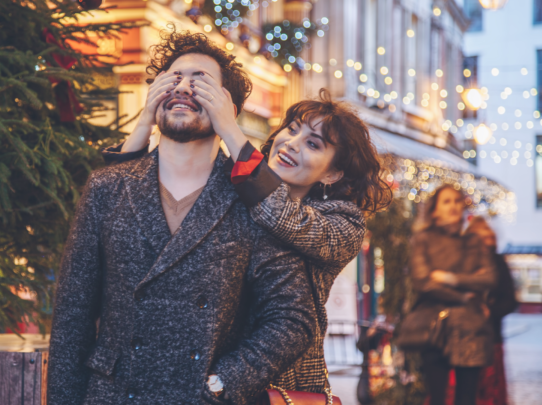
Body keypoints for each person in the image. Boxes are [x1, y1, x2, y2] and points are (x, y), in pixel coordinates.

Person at [47, 29, 317, 405]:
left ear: (229, 109)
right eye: (173, 78)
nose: (184, 88)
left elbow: (293, 321)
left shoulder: (254, 200)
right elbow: (71, 319)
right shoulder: (107, 187)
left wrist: (224, 382)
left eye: (201, 81)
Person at [104, 48, 392, 393]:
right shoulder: (236, 187)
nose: (291, 144)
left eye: (313, 144)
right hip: (198, 370)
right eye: (292, 129)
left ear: (332, 174)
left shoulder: (342, 224)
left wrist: (229, 127)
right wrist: (144, 123)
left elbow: (282, 217)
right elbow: (119, 208)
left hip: (281, 382)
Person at [409, 185, 496, 405]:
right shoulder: (423, 240)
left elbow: (489, 278)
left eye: (457, 201)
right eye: (447, 201)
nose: (454, 206)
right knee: (436, 397)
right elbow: (423, 282)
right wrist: (466, 297)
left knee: (466, 399)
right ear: (435, 209)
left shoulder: (474, 242)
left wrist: (450, 278)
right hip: (435, 327)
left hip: (471, 330)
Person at [466, 217, 518, 405]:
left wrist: (489, 312)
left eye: (488, 238)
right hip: (463, 339)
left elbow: (510, 300)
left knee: (490, 392)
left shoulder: (497, 262)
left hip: (490, 338)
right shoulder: (463, 262)